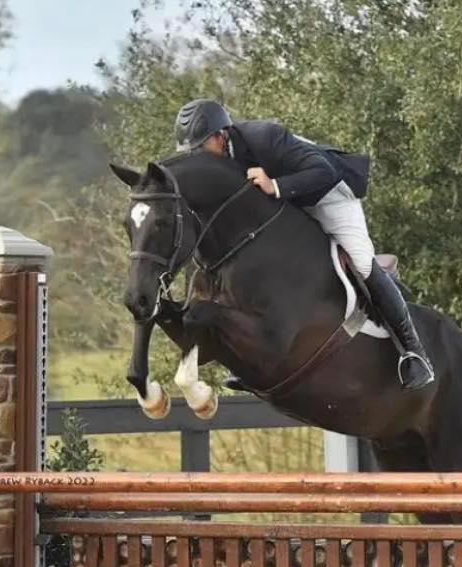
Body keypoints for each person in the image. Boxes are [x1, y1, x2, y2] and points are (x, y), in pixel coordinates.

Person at [173, 98, 435, 391]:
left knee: (361, 262)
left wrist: (275, 185)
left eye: (199, 148)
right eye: (191, 151)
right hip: (290, 204)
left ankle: (413, 352)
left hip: (330, 194)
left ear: (221, 136)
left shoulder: (264, 137)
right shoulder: (220, 160)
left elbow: (325, 173)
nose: (196, 156)